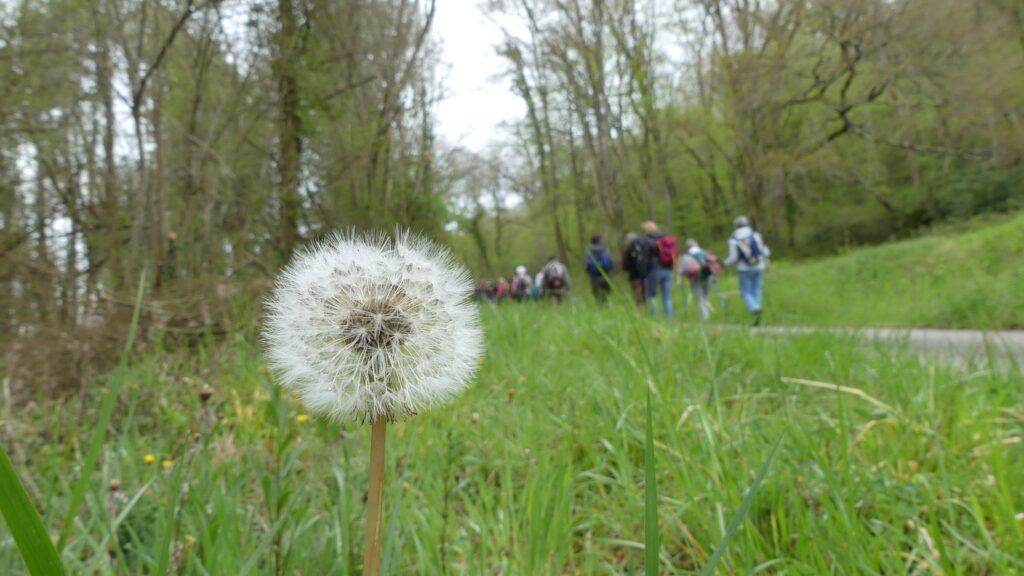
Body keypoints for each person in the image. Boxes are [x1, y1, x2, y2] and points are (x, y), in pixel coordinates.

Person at [724, 215, 771, 325]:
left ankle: (754, 308)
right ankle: (758, 317)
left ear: (735, 226)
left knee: (745, 292)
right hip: (759, 266)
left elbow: (733, 258)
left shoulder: (734, 240)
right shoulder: (757, 236)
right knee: (756, 290)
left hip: (744, 268)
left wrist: (725, 264)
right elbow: (766, 252)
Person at [641, 221, 678, 318]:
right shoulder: (666, 239)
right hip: (668, 269)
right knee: (667, 297)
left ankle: (655, 318)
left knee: (651, 295)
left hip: (653, 270)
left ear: (645, 230)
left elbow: (645, 258)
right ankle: (670, 318)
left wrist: (643, 272)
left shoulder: (647, 241)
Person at [679, 239, 720, 321]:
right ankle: (707, 316)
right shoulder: (705, 252)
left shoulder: (686, 256)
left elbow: (682, 270)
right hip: (709, 277)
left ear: (686, 247)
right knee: (705, 296)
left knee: (699, 298)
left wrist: (681, 275)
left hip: (695, 278)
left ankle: (705, 318)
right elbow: (713, 265)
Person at [621, 232, 649, 308]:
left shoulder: (629, 249)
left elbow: (625, 264)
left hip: (635, 276)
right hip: (646, 274)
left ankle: (640, 313)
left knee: (638, 296)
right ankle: (647, 311)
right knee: (645, 295)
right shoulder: (644, 246)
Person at [584, 234, 614, 304]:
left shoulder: (589, 250)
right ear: (600, 240)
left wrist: (590, 272)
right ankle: (606, 305)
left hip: (594, 277)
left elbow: (586, 264)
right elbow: (611, 262)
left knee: (597, 294)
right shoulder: (606, 249)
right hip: (606, 276)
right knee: (606, 293)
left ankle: (600, 306)